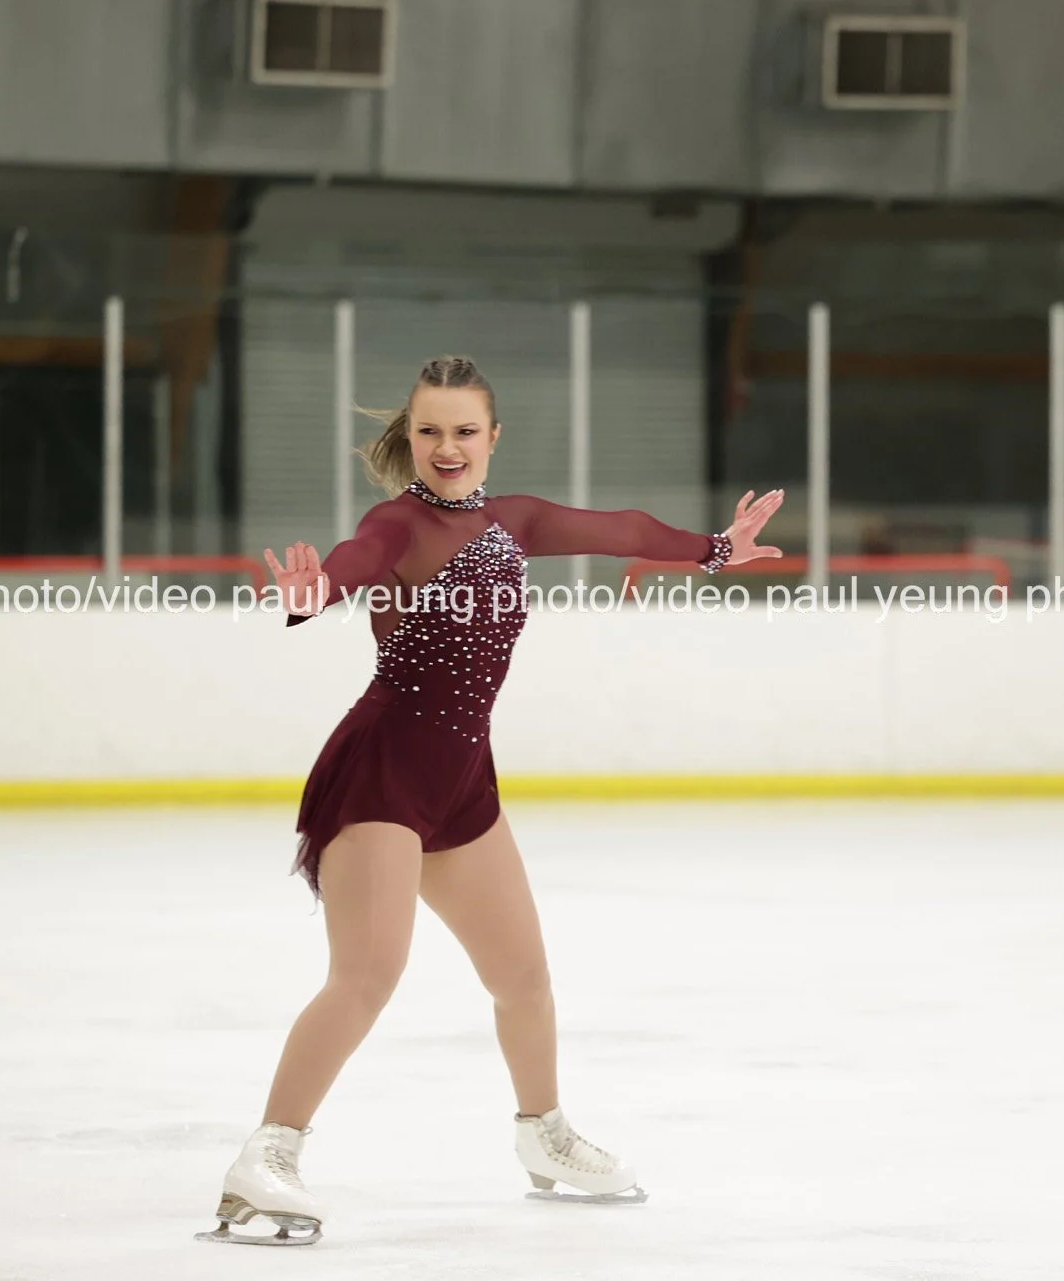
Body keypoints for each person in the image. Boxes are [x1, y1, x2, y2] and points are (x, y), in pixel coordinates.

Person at [197, 354, 784, 1246]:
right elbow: (356, 562)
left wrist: (713, 548)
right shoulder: (396, 524)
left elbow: (621, 528)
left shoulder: (513, 522)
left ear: (493, 437)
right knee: (367, 976)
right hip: (385, 774)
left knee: (524, 978)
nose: (448, 446)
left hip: (463, 780)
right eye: (430, 430)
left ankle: (543, 1133)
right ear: (410, 436)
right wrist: (315, 593)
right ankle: (268, 1154)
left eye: (465, 430)